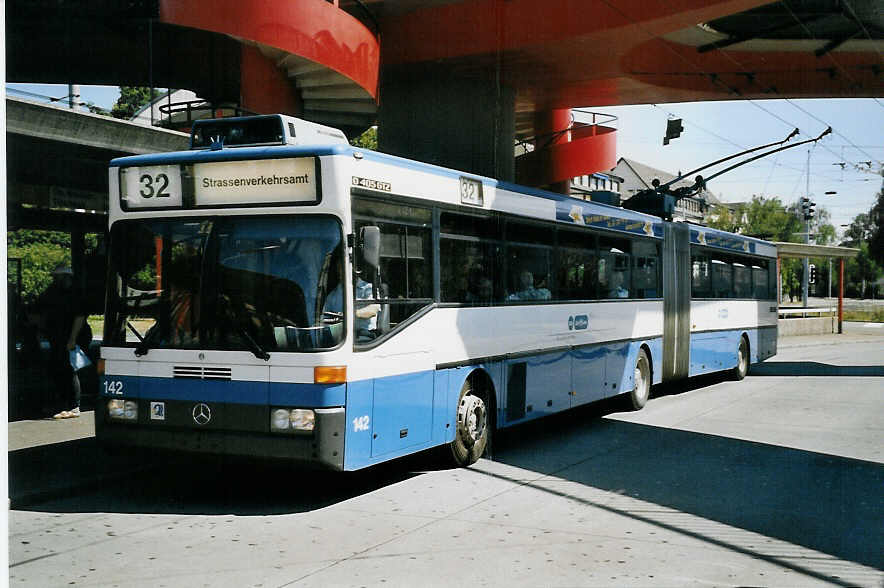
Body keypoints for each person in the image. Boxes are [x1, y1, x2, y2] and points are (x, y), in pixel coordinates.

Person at [34, 264, 90, 419]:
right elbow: (40, 309)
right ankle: (63, 404)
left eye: (58, 277)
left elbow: (80, 317)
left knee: (68, 369)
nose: (55, 280)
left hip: (73, 337)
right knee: (56, 368)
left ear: (66, 277)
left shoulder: (75, 294)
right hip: (58, 337)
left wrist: (72, 339)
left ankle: (74, 406)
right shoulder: (52, 292)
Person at [354, 276, 379, 341]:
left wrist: (349, 314)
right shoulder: (334, 293)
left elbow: (372, 310)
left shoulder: (369, 288)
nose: (339, 271)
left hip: (365, 335)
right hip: (341, 334)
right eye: (338, 268)